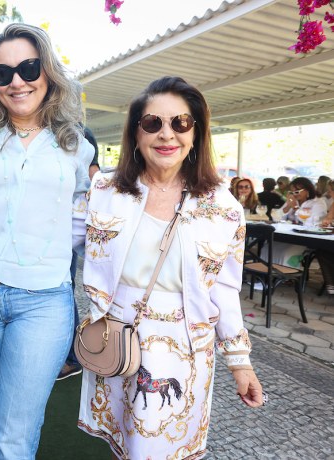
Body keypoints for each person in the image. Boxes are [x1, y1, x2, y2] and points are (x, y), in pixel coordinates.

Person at [74, 76, 263, 460]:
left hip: (185, 348)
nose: (167, 134)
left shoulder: (224, 207)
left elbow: (225, 290)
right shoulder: (105, 190)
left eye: (180, 123)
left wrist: (240, 363)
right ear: (136, 132)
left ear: (196, 132)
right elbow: (54, 244)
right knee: (125, 444)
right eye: (152, 123)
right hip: (118, 337)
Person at [0, 23, 94, 459]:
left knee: (14, 432)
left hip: (45, 301)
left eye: (29, 67)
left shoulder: (76, 144)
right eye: (3, 72)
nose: (17, 81)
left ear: (47, 71)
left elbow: (87, 223)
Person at [59, 125, 99, 381]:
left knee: (65, 290)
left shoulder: (80, 133)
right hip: (63, 235)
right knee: (65, 289)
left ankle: (72, 359)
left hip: (66, 237)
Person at [275, 176, 329, 268]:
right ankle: (267, 276)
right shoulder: (293, 200)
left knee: (287, 253)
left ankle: (287, 277)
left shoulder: (318, 203)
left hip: (307, 238)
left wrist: (296, 208)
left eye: (297, 191)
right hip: (288, 236)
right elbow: (275, 217)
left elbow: (310, 223)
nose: (294, 194)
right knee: (268, 248)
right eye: (291, 192)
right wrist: (288, 206)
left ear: (307, 190)